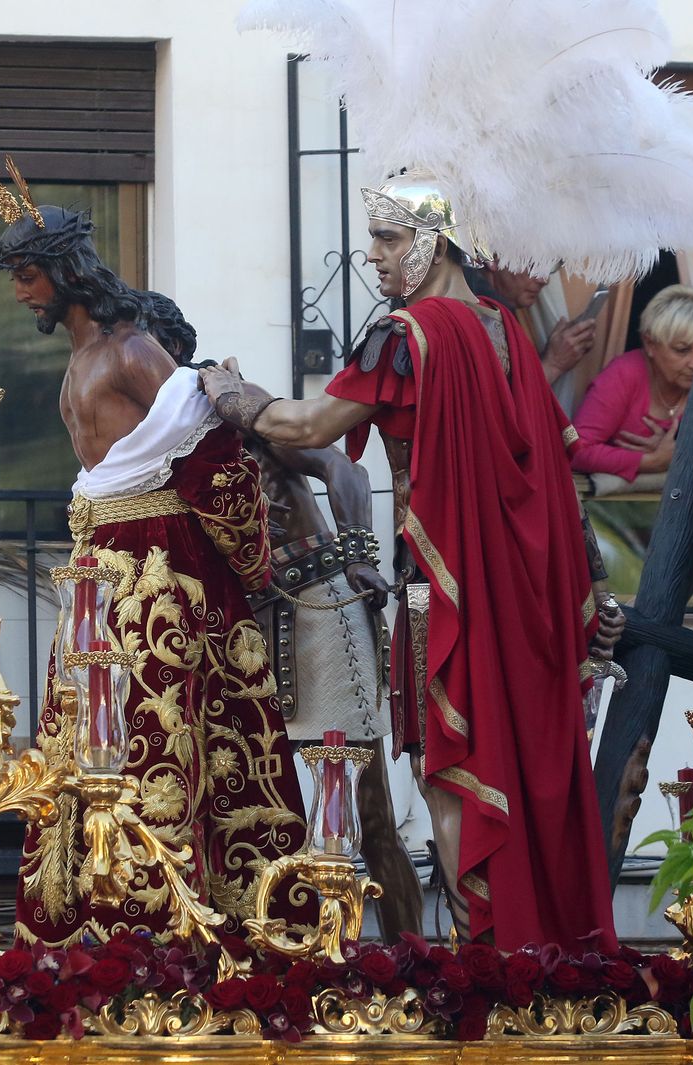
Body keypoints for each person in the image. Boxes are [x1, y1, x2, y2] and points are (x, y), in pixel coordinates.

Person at [198, 169, 623, 953]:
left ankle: (482, 971)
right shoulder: (504, 332)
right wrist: (593, 584)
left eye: (390, 240)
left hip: (449, 594)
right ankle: (535, 957)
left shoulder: (408, 336)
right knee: (524, 764)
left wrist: (228, 392)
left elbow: (308, 425)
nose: (376, 258)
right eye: (375, 242)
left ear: (434, 241)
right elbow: (556, 481)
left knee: (449, 770)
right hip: (527, 595)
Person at [0, 205, 311, 947]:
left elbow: (205, 441)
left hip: (158, 571)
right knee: (84, 736)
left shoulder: (131, 349)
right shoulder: (78, 358)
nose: (20, 293)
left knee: (156, 735)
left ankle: (164, 920)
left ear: (66, 270)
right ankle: (83, 911)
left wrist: (247, 555)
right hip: (97, 568)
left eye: (28, 276)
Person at [140, 291, 425, 942]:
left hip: (316, 610)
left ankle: (414, 962)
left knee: (366, 806)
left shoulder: (230, 400)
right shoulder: (141, 432)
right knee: (241, 807)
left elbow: (340, 468)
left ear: (176, 353)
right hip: (230, 628)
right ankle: (279, 959)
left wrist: (357, 552)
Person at [567, 285, 693, 485]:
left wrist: (683, 452)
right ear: (650, 344)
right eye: (682, 350)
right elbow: (575, 445)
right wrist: (651, 462)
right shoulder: (623, 374)